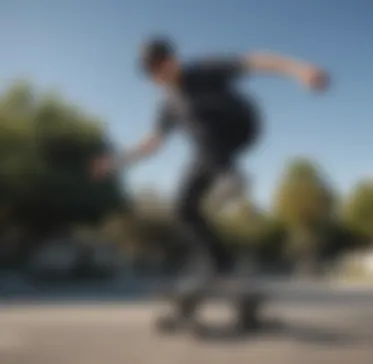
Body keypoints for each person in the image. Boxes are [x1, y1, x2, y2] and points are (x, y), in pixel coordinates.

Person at [93, 36, 329, 285]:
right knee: (184, 207)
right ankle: (220, 264)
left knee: (196, 116)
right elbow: (152, 143)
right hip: (209, 151)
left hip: (240, 123)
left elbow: (256, 61)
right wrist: (114, 163)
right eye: (154, 70)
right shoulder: (167, 105)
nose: (161, 73)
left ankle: (230, 176)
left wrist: (300, 70)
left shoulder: (203, 70)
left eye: (163, 64)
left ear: (173, 60)